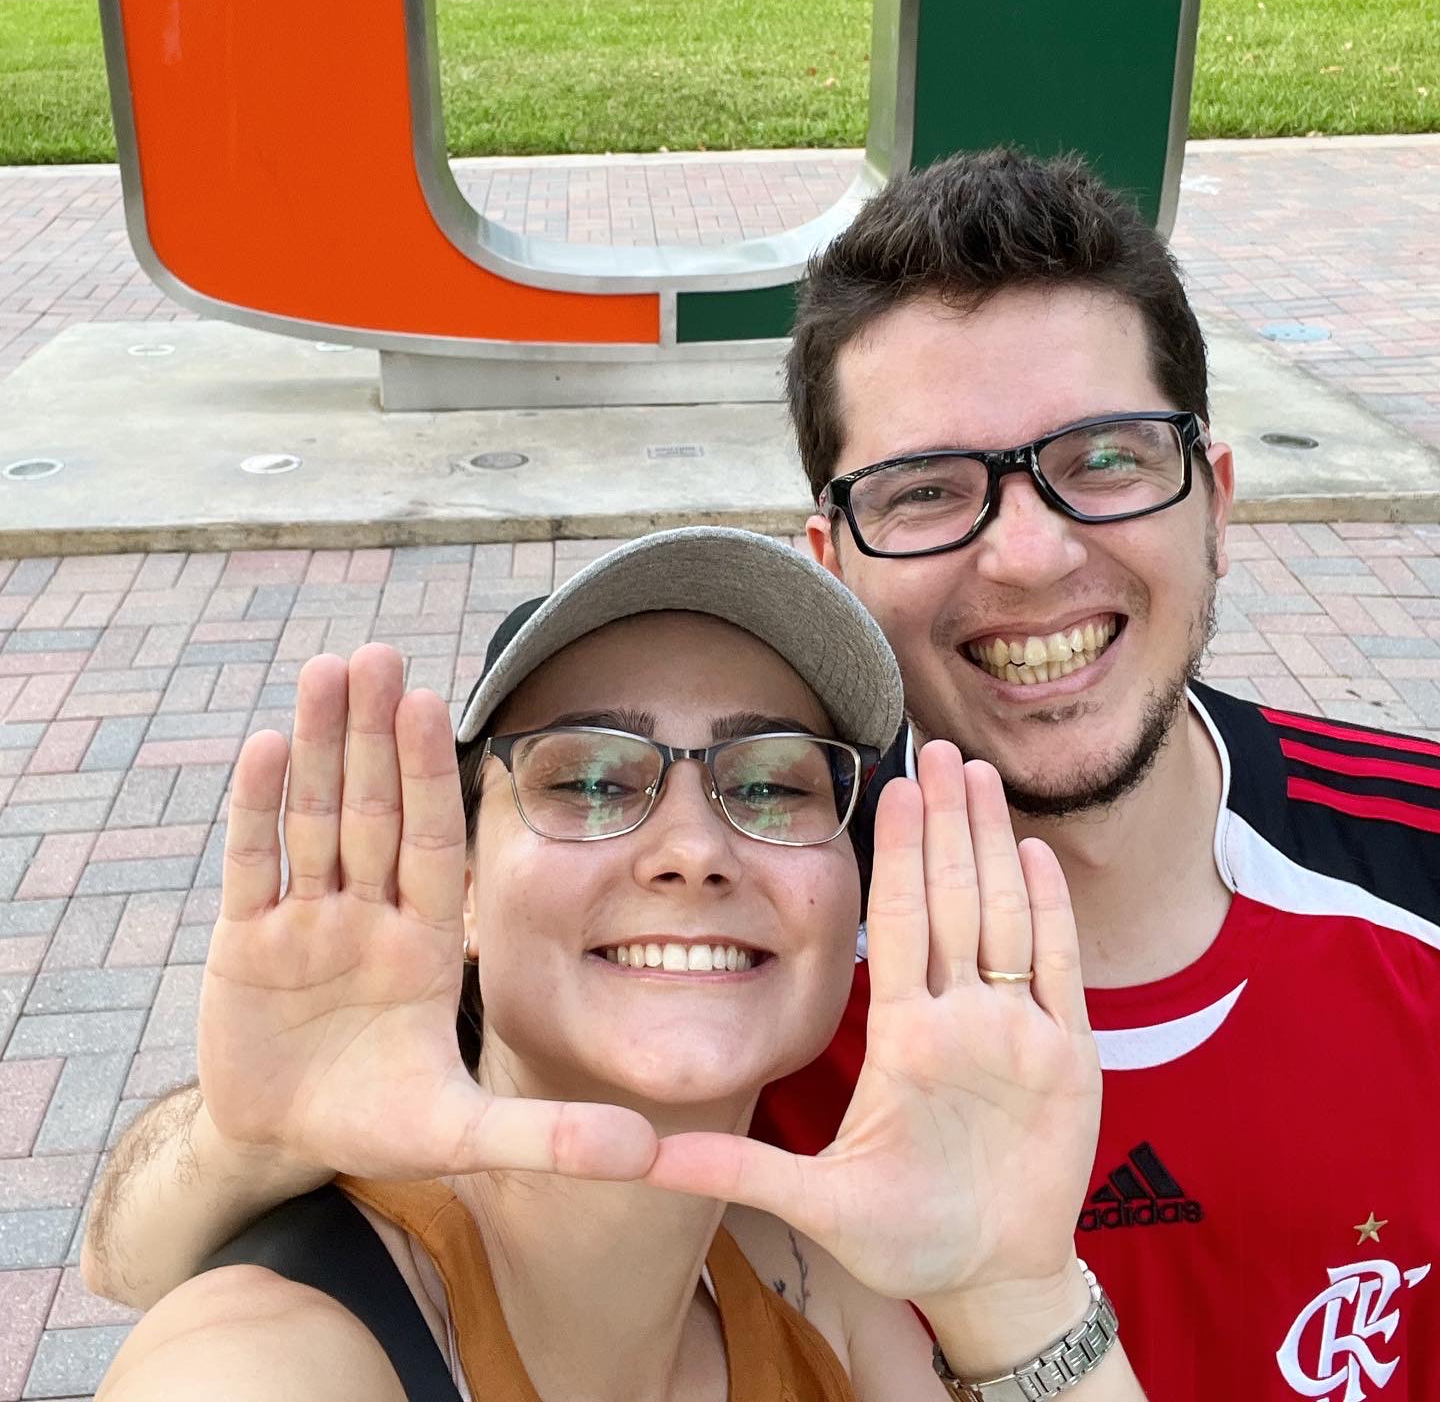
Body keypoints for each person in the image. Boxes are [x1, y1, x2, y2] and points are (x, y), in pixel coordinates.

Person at [84, 150, 1440, 1399]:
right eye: (927, 489)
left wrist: (1012, 1303)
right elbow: (186, 1240)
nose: (1028, 558)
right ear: (833, 556)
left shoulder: (1412, 863)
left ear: (1215, 496)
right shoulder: (748, 937)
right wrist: (241, 1150)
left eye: (1105, 462)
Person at [91, 526, 1142, 1402]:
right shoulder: (275, 1354)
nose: (693, 850)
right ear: (457, 883)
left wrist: (1012, 1295)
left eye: (775, 786)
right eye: (589, 781)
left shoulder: (813, 1289)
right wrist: (239, 1136)